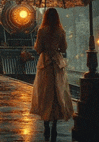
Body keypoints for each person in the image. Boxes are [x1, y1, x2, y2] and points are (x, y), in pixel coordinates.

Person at [30, 8, 74, 142]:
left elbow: (38, 49)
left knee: (45, 93)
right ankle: (55, 124)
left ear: (46, 17)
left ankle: (46, 124)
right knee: (57, 92)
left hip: (45, 64)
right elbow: (64, 48)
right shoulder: (61, 31)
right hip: (57, 64)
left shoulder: (42, 31)